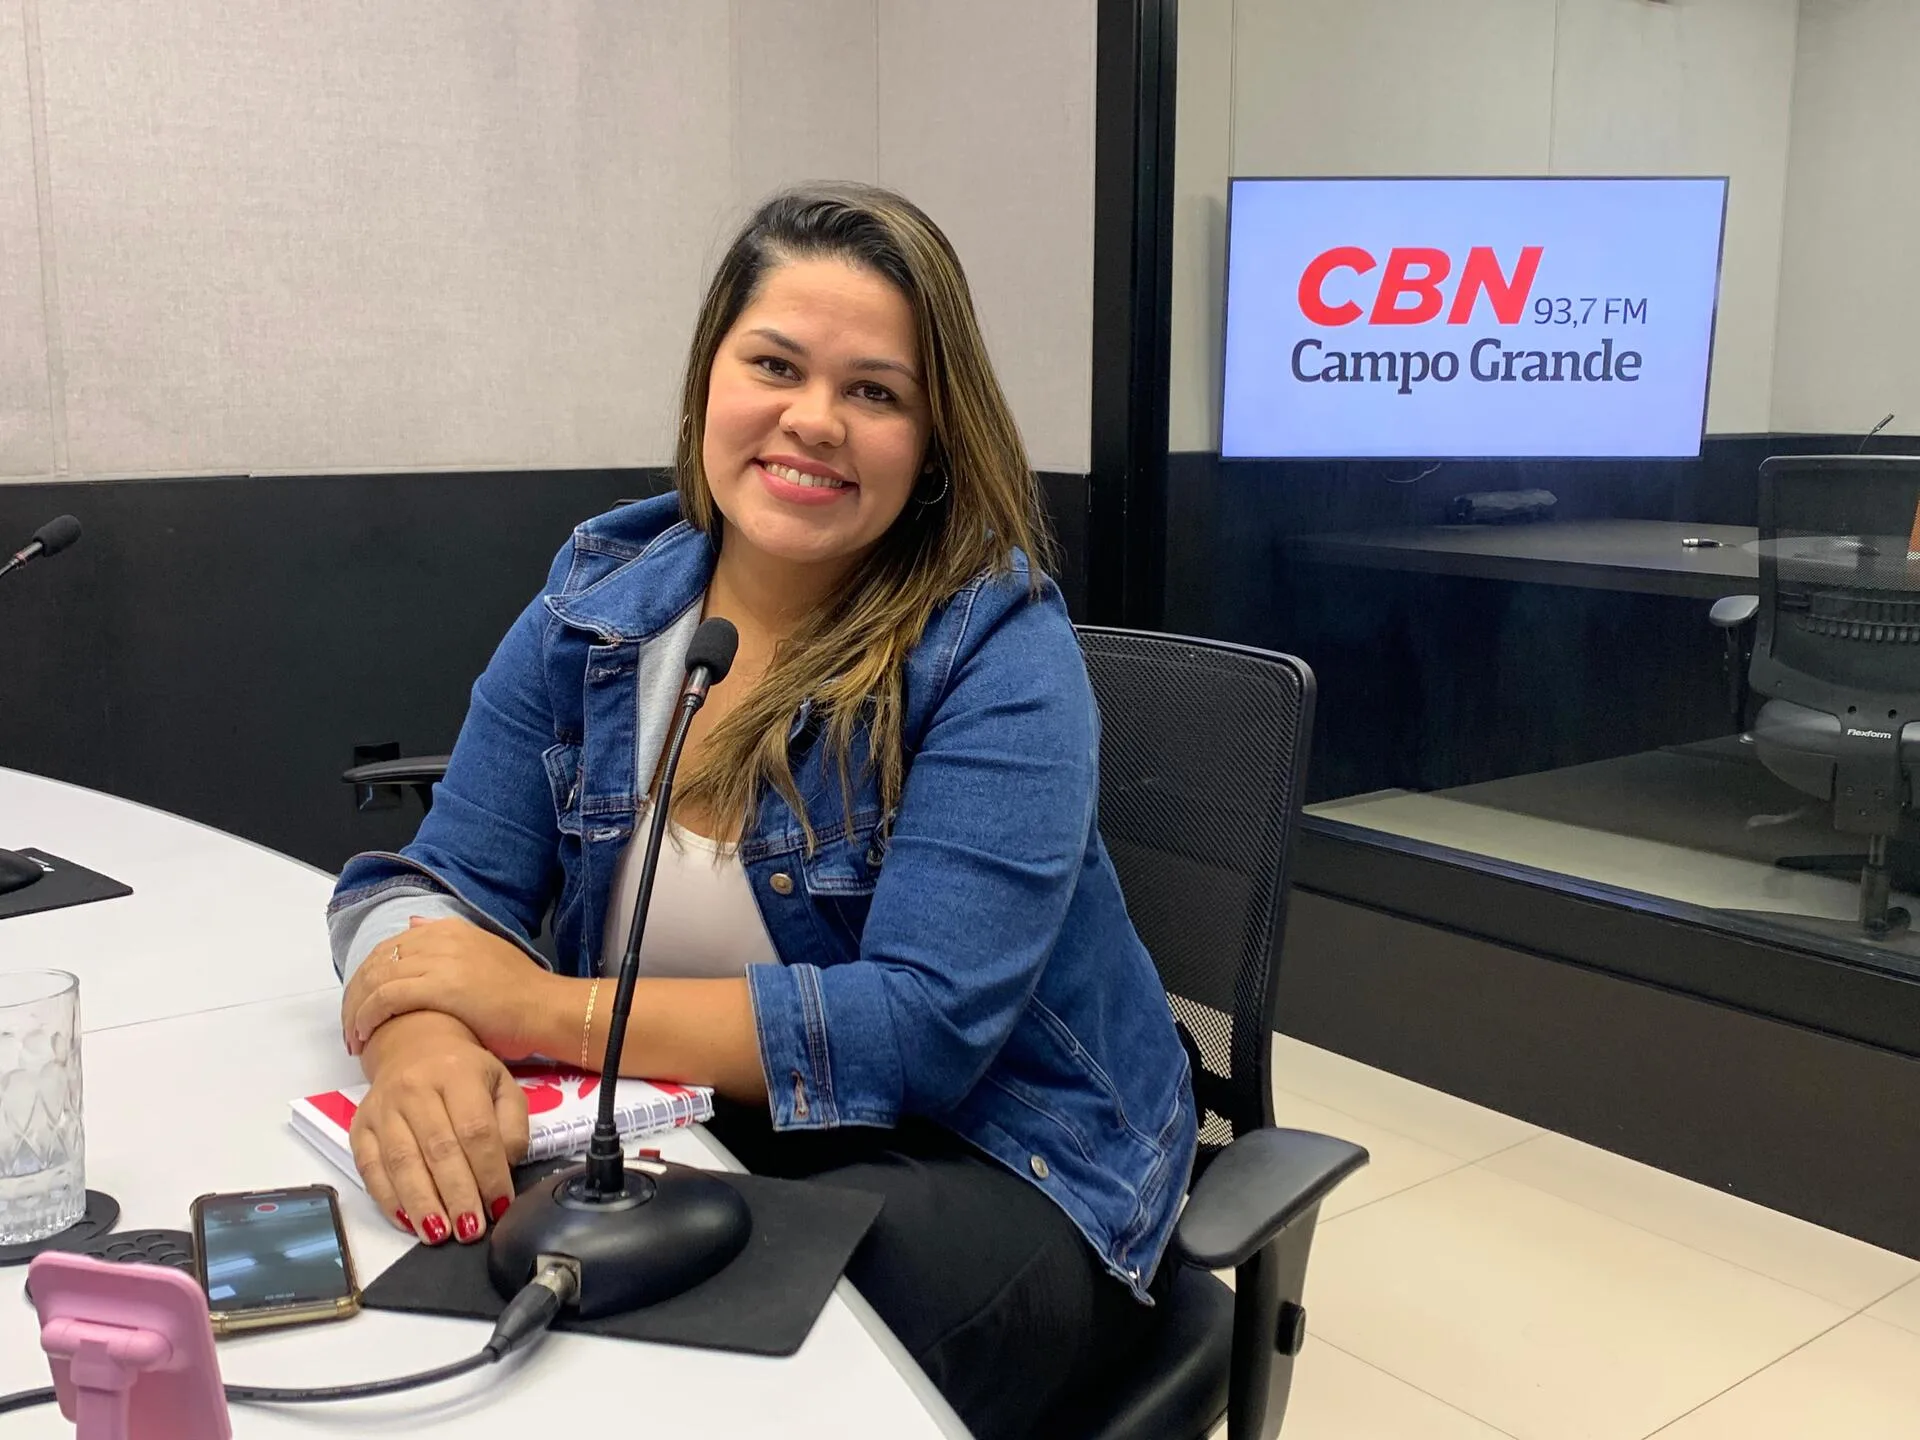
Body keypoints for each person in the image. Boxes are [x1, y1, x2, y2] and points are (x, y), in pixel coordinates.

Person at [326, 184, 1197, 1437]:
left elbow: (921, 1026)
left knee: (736, 1399)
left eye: (876, 392)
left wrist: (523, 1009)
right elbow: (418, 891)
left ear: (936, 437)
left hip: (998, 1153)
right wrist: (418, 1042)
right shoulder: (596, 601)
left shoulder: (996, 645)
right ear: (708, 383)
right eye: (775, 364)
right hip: (693, 1129)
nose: (814, 421)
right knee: (473, 1335)